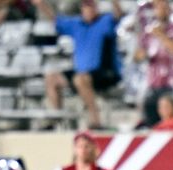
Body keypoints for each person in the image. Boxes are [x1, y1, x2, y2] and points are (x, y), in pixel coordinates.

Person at [36, 0, 123, 130]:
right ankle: (57, 118)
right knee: (51, 78)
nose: (88, 10)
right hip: (82, 72)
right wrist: (40, 5)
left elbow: (118, 16)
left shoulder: (104, 21)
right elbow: (56, 20)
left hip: (104, 72)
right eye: (85, 7)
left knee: (80, 79)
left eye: (91, 7)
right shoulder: (76, 24)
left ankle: (95, 121)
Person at [134, 0, 173, 127]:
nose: (161, 9)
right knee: (151, 119)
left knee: (172, 120)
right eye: (158, 6)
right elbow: (138, 54)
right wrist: (141, 54)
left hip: (172, 83)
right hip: (153, 82)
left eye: (164, 6)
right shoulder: (149, 30)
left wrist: (160, 34)